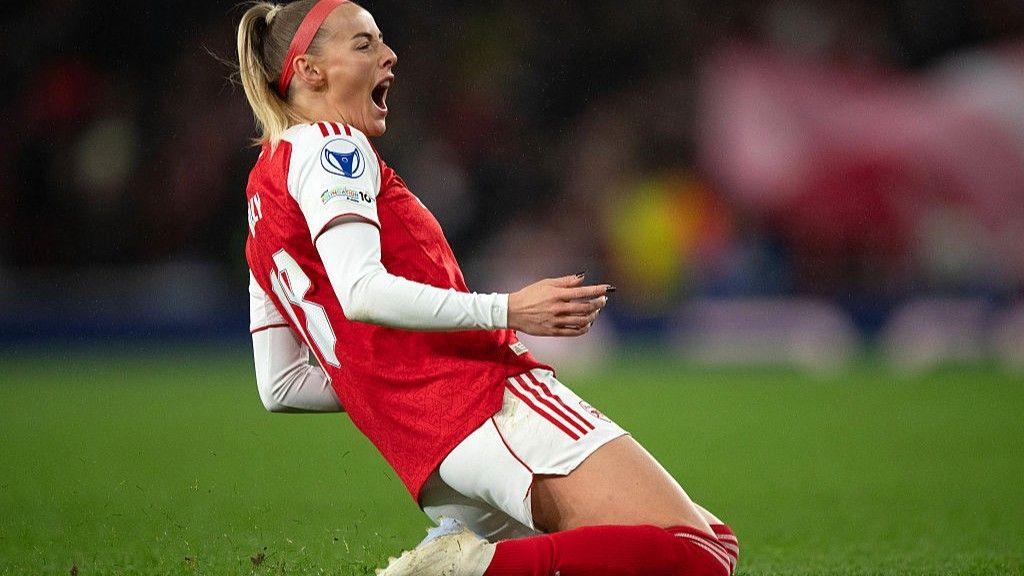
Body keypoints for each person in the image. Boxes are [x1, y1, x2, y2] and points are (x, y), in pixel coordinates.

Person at [236, 1, 740, 574]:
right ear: (309, 71)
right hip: (484, 403)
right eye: (364, 44)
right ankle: (465, 569)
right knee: (697, 553)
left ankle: (472, 563)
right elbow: (362, 291)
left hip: (431, 456)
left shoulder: (260, 196)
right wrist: (509, 309)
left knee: (716, 542)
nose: (389, 55)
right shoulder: (333, 146)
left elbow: (281, 386)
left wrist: (394, 388)